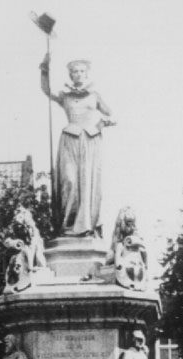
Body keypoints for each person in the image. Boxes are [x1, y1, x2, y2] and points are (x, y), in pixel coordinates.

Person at [40, 54, 115, 237]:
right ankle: (67, 225)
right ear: (70, 75)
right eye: (74, 71)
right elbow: (47, 90)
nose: (78, 74)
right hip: (69, 140)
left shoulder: (94, 96)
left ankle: (85, 225)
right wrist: (44, 70)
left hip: (89, 141)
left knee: (86, 183)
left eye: (82, 71)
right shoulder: (65, 96)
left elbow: (112, 115)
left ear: (87, 73)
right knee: (69, 181)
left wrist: (102, 124)